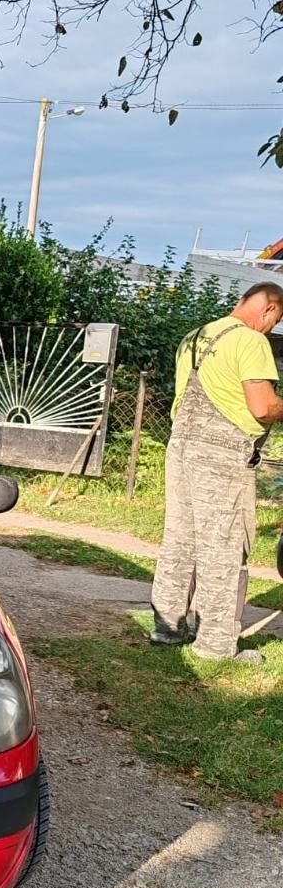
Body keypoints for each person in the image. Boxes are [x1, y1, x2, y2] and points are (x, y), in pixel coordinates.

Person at [150, 280, 283, 661]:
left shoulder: (194, 337)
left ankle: (168, 626)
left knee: (180, 539)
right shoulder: (251, 341)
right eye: (276, 321)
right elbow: (261, 406)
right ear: (269, 310)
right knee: (223, 547)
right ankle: (215, 644)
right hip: (223, 454)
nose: (272, 329)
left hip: (181, 448)